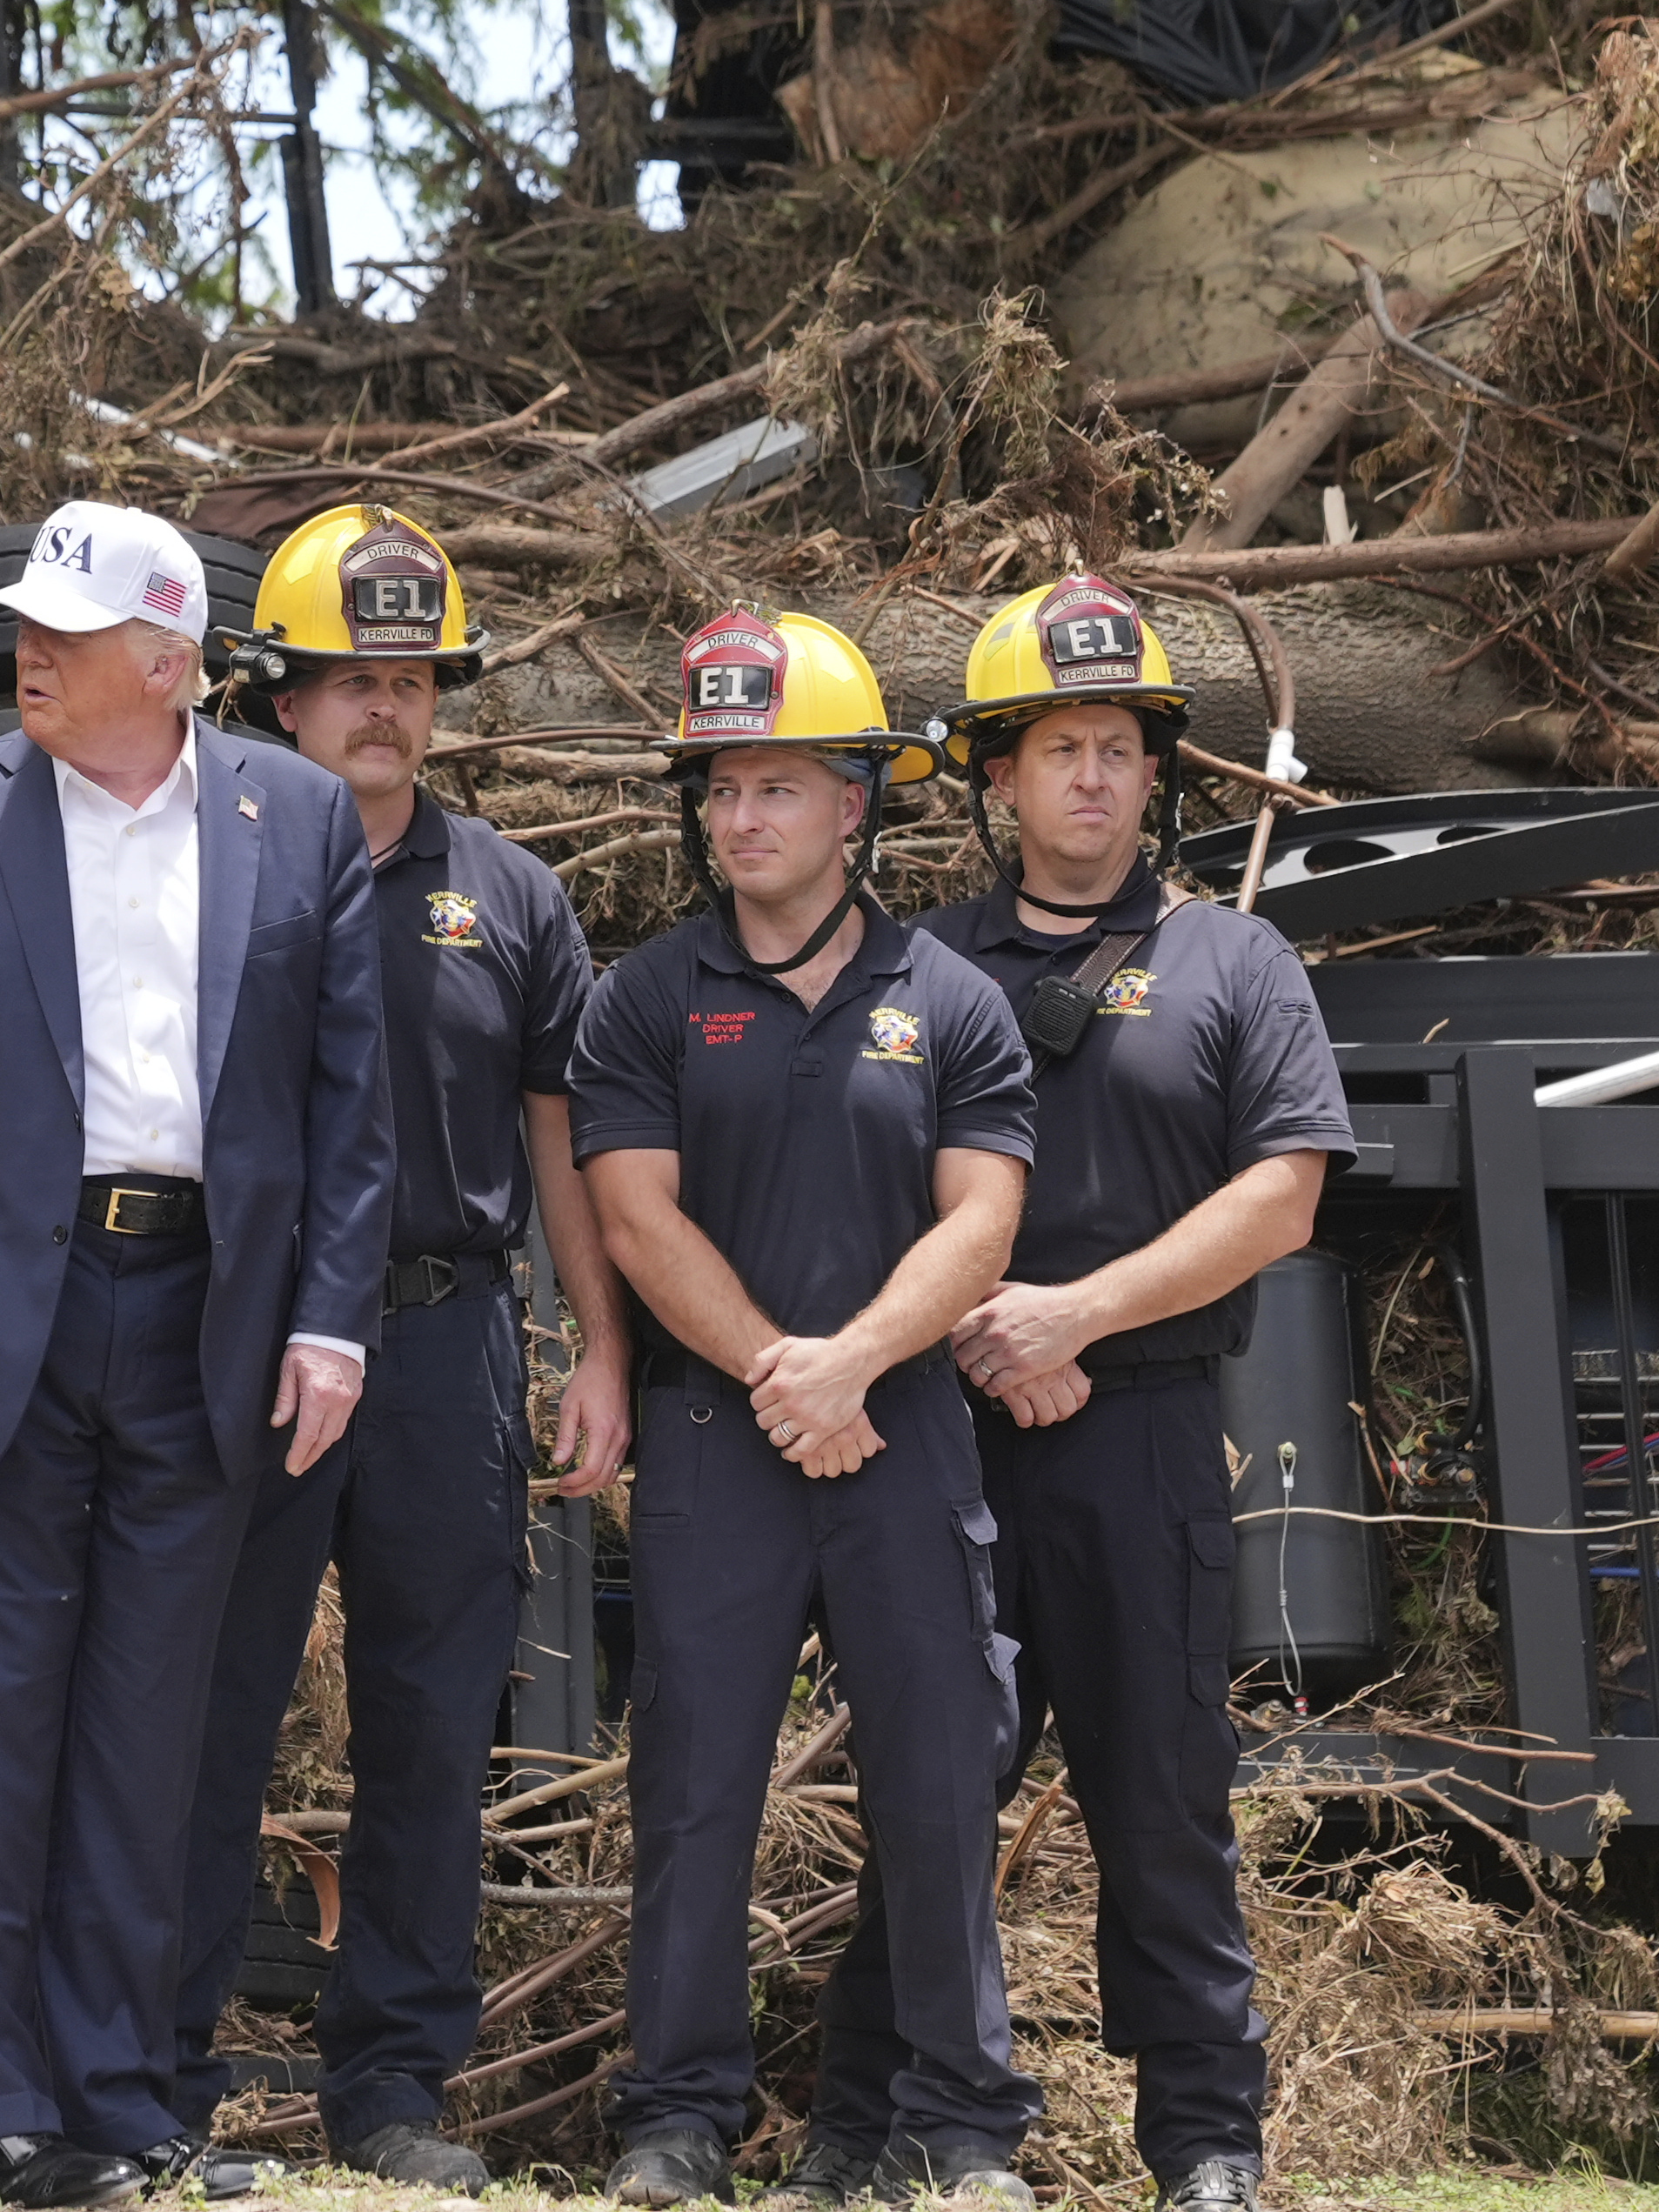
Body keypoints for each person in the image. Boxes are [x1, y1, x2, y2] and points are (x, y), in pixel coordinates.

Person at [0, 499, 398, 2212]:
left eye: (63, 637)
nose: (27, 655)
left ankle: (125, 2103)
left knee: (155, 1727)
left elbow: (349, 1101)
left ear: (168, 661)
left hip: (211, 1310)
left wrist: (330, 1320)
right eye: (23, 627)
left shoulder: (297, 815)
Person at [792, 580, 1351, 2212]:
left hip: (1145, 1434)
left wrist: (1077, 1321)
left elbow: (1286, 1195)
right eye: (1057, 749)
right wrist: (963, 1339)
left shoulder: (1234, 958)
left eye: (1116, 746)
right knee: (930, 1791)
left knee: (1162, 1795)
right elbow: (846, 1183)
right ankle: (864, 2126)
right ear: (999, 775)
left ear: (1153, 769)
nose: (1091, 776)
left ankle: (1206, 2143)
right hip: (940, 1437)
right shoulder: (911, 964)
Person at [165, 507, 628, 2200]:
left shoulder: (510, 894)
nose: (384, 706)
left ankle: (391, 2089)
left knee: (430, 1729)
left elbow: (563, 1139)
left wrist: (598, 1346)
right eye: (351, 678)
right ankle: (159, 2077)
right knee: (204, 1708)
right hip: (242, 1338)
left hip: (445, 1344)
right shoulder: (202, 867)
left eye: (413, 680)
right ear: (278, 694)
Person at [565, 610, 1041, 2212]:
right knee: (695, 1780)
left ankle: (957, 2123)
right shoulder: (646, 997)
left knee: (940, 1776)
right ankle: (676, 2118)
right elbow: (635, 1218)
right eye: (720, 788)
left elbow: (984, 1221)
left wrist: (853, 1368)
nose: (740, 816)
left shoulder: (951, 998)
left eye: (775, 785)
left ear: (854, 803)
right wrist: (788, 1371)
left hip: (904, 1436)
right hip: (721, 1445)